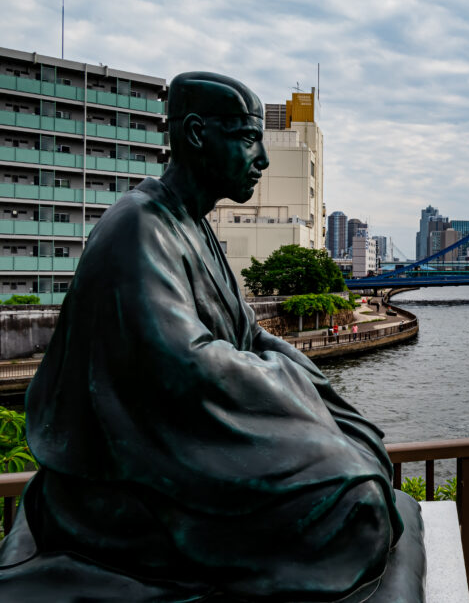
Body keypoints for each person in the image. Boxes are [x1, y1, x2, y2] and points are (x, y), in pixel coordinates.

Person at [0, 72, 425, 601]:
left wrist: (319, 390)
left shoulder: (196, 226)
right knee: (358, 505)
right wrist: (296, 387)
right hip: (146, 465)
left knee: (361, 448)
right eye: (250, 139)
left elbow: (247, 333)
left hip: (192, 438)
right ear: (198, 135)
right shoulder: (136, 227)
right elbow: (188, 365)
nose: (263, 160)